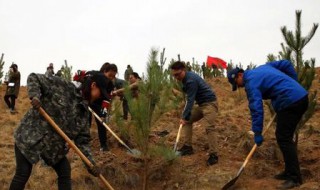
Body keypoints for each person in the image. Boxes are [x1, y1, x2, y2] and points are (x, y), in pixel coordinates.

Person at [9, 72, 113, 190]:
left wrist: (91, 165)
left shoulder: (84, 114)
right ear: (93, 85)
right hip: (30, 137)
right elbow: (34, 77)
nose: (99, 98)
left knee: (64, 170)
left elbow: (83, 142)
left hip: (52, 148)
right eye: (101, 93)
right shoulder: (64, 86)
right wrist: (35, 96)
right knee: (23, 173)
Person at [227, 60, 308, 189]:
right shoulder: (263, 67)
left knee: (284, 138)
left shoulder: (251, 83)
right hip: (298, 97)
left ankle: (295, 178)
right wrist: (293, 82)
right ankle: (289, 171)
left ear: (240, 75)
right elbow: (286, 63)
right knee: (283, 136)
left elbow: (256, 108)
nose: (240, 87)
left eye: (237, 84)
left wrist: (257, 132)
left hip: (291, 101)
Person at [170, 61, 219, 166]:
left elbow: (190, 100)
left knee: (209, 127)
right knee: (187, 121)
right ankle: (188, 147)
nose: (176, 77)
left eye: (178, 74)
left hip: (210, 103)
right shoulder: (185, 79)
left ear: (183, 70)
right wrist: (185, 117)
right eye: (174, 75)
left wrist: (184, 115)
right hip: (201, 104)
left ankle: (213, 155)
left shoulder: (190, 80)